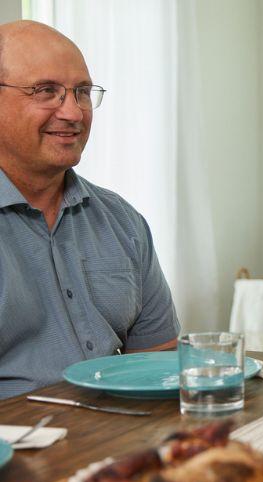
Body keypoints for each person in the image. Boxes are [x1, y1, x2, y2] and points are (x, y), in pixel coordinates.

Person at [0, 21, 179, 399]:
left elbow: (159, 363)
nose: (74, 113)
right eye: (46, 91)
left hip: (116, 435)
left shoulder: (123, 220)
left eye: (81, 91)